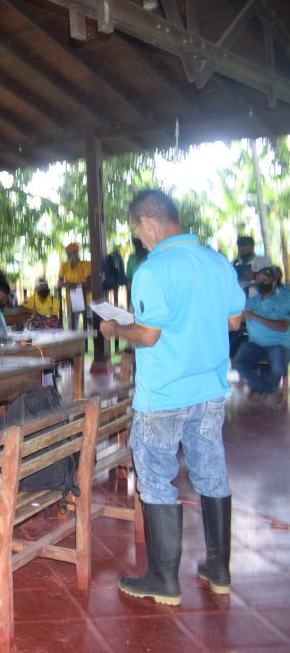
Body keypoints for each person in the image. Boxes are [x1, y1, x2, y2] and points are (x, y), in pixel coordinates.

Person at [100, 189, 244, 607]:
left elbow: (148, 335)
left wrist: (115, 329)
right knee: (211, 473)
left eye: (137, 231)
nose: (140, 241)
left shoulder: (153, 269)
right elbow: (234, 321)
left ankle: (163, 579)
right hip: (209, 390)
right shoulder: (217, 262)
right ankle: (218, 570)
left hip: (163, 394)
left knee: (156, 477)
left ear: (148, 221)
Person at [232, 265, 290, 405]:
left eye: (265, 280)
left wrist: (255, 316)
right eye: (258, 280)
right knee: (238, 363)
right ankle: (267, 389)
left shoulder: (284, 299)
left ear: (274, 282)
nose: (261, 283)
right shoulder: (251, 301)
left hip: (278, 343)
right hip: (255, 343)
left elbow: (283, 326)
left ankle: (262, 390)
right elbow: (239, 315)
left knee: (279, 367)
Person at [58, 243, 91, 329]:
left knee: (91, 326)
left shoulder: (86, 264)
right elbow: (59, 283)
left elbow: (88, 282)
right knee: (72, 329)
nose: (70, 255)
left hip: (86, 299)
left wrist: (70, 285)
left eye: (73, 253)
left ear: (77, 253)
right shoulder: (64, 266)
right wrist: (78, 285)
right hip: (71, 300)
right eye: (68, 253)